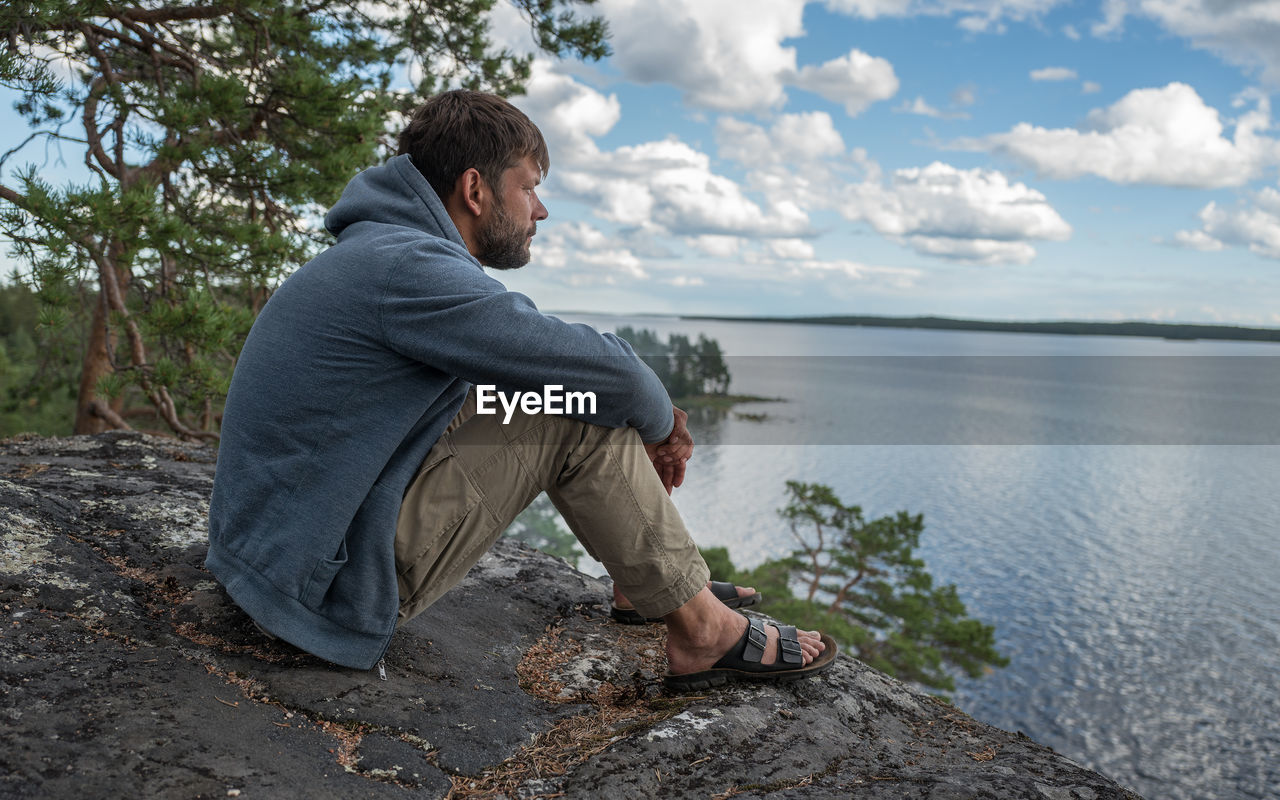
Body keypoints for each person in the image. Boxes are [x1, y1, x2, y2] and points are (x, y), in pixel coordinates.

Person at [205, 90, 835, 690]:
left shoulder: (384, 252)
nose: (540, 209)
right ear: (475, 189)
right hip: (320, 583)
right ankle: (701, 633)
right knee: (574, 406)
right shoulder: (409, 269)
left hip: (285, 552)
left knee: (567, 396)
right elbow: (597, 369)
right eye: (529, 187)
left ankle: (648, 580)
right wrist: (661, 423)